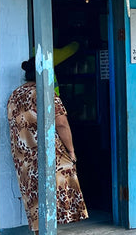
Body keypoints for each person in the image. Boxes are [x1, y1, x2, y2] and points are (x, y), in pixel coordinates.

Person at [8, 57, 89, 232]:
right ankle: (51, 229)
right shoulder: (45, 93)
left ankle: (40, 231)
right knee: (56, 193)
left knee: (34, 198)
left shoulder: (15, 95)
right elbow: (61, 124)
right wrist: (71, 151)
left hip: (23, 157)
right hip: (46, 154)